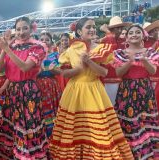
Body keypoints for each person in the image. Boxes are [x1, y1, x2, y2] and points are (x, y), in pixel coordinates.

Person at [50, 17, 133, 159]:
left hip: (94, 89)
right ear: (79, 32)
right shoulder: (71, 50)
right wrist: (58, 71)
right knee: (74, 129)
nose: (92, 29)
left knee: (98, 130)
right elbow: (67, 74)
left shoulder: (101, 48)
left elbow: (104, 73)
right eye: (88, 27)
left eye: (93, 27)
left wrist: (89, 62)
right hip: (74, 90)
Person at [0, 16, 49, 159]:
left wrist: (7, 48)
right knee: (13, 124)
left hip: (29, 90)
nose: (21, 32)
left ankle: (29, 154)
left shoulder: (38, 47)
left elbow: (25, 67)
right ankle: (16, 153)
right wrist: (5, 50)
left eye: (25, 28)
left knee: (28, 124)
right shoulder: (12, 46)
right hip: (13, 90)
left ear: (31, 29)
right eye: (18, 29)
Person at [113, 24, 159, 159]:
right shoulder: (120, 53)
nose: (134, 34)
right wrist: (129, 62)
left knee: (146, 120)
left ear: (143, 35)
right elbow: (118, 73)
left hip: (145, 89)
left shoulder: (150, 52)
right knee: (129, 122)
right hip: (126, 90)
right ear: (126, 37)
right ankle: (130, 153)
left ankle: (148, 153)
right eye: (131, 32)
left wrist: (144, 60)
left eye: (137, 32)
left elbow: (153, 71)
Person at [99, 16, 132, 105]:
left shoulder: (122, 41)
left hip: (123, 78)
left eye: (121, 28)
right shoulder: (105, 40)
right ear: (112, 29)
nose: (120, 30)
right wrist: (108, 33)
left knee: (121, 105)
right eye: (117, 28)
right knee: (110, 104)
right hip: (110, 78)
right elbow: (113, 52)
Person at [37, 31, 62, 138]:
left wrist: (53, 69)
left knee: (54, 111)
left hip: (52, 87)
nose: (44, 42)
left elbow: (59, 71)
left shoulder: (55, 55)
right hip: (39, 87)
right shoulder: (34, 55)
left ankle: (54, 135)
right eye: (42, 39)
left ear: (51, 42)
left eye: (47, 39)